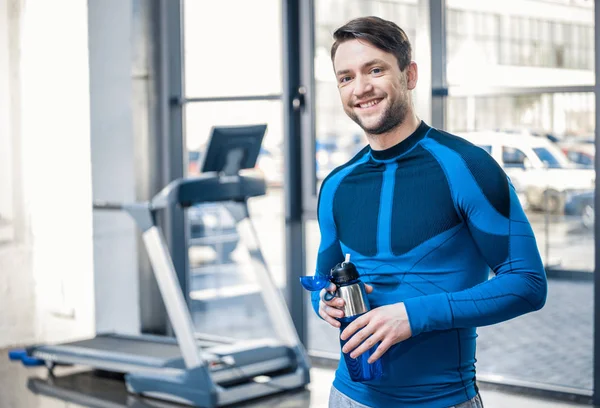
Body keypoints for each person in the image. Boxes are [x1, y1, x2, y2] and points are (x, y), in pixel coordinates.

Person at [311, 16, 548, 408]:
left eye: (375, 70)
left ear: (410, 74)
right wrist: (324, 299)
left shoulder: (467, 167)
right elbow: (324, 278)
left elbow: (527, 284)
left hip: (442, 400)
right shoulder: (336, 184)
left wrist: (413, 315)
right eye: (346, 77)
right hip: (347, 397)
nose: (361, 88)